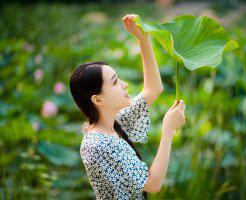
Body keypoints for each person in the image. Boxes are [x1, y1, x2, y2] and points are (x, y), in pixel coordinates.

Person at [69, 14, 186, 200]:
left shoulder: (114, 123)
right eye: (115, 82)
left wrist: (143, 40)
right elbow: (153, 184)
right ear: (97, 100)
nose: (124, 84)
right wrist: (168, 130)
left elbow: (153, 88)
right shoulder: (100, 144)